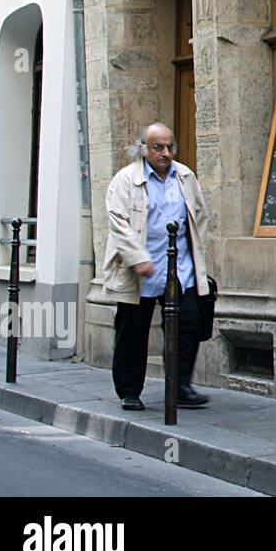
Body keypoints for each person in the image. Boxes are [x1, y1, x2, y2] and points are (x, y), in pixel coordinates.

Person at [101, 122, 212, 410]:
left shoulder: (185, 176)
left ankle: (180, 386)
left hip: (179, 267)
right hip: (141, 269)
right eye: (157, 147)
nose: (165, 153)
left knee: (187, 324)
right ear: (143, 149)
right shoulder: (126, 180)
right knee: (132, 331)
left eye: (169, 147)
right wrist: (138, 258)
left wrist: (195, 252)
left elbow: (199, 214)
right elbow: (118, 224)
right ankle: (128, 390)